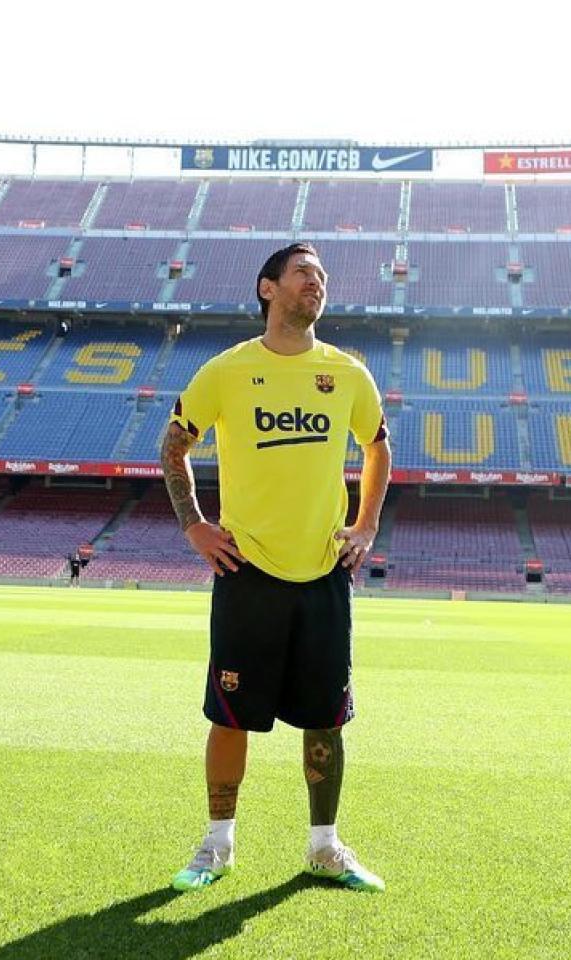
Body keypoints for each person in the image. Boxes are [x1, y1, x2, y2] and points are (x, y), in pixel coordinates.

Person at [159, 242, 391, 893]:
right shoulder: (227, 371)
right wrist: (195, 525)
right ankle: (217, 845)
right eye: (302, 274)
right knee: (230, 716)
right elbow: (174, 444)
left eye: (321, 277)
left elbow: (378, 446)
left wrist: (366, 524)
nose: (315, 284)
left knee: (326, 717)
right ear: (268, 288)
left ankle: (324, 847)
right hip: (247, 572)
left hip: (323, 574)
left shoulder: (346, 373)